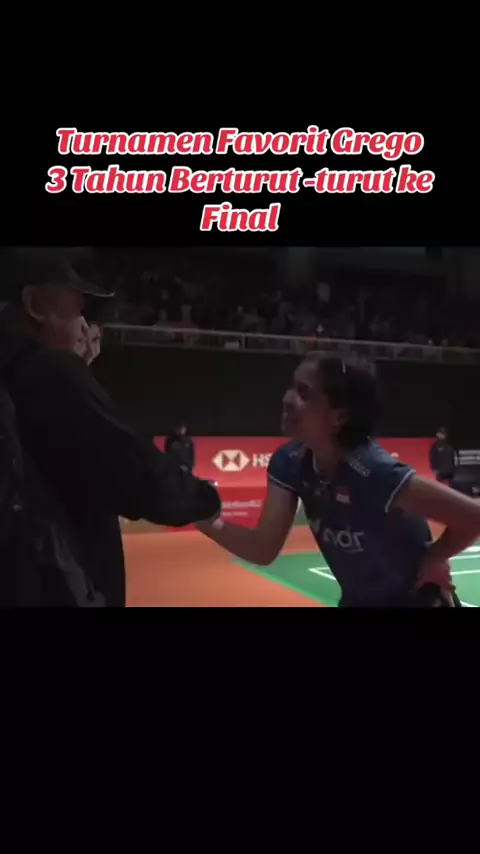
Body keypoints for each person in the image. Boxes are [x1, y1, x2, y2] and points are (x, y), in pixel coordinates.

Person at [1, 249, 220, 607]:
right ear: (35, 306)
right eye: (75, 310)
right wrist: (204, 498)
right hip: (55, 585)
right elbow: (133, 471)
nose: (83, 324)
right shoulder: (49, 372)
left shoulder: (18, 371)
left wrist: (78, 370)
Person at [196, 353, 480, 607]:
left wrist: (435, 557)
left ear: (339, 416)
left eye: (304, 394)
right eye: (292, 387)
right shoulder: (290, 463)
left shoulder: (374, 471)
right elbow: (263, 548)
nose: (287, 399)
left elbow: (473, 517)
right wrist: (205, 520)